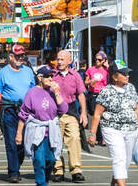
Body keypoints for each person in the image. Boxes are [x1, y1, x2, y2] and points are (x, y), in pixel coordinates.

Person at [0, 44, 36, 183]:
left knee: (23, 143)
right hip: (9, 110)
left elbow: (34, 92)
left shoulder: (28, 71)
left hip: (26, 111)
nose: (20, 58)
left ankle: (16, 165)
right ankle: (13, 171)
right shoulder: (3, 72)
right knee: (12, 142)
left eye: (22, 56)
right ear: (11, 57)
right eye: (17, 56)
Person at [88, 60, 138, 186]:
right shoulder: (106, 91)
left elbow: (136, 108)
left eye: (127, 73)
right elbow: (97, 114)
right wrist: (93, 134)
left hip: (131, 129)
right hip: (112, 129)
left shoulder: (131, 88)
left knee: (126, 161)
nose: (127, 76)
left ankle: (114, 182)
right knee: (119, 158)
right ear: (114, 76)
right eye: (124, 73)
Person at [15, 65, 67, 186]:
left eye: (51, 76)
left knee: (51, 160)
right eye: (47, 76)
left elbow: (63, 109)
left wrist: (57, 92)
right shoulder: (31, 93)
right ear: (39, 77)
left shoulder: (53, 91)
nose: (50, 78)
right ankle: (41, 183)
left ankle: (45, 180)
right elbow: (23, 114)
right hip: (37, 132)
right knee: (39, 160)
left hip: (51, 131)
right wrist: (19, 134)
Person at [52, 49, 88, 182]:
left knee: (74, 138)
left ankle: (76, 170)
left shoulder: (76, 75)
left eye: (62, 59)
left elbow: (81, 94)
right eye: (58, 59)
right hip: (55, 113)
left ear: (69, 61)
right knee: (56, 142)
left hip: (71, 112)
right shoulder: (52, 75)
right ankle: (58, 170)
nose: (59, 62)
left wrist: (83, 113)